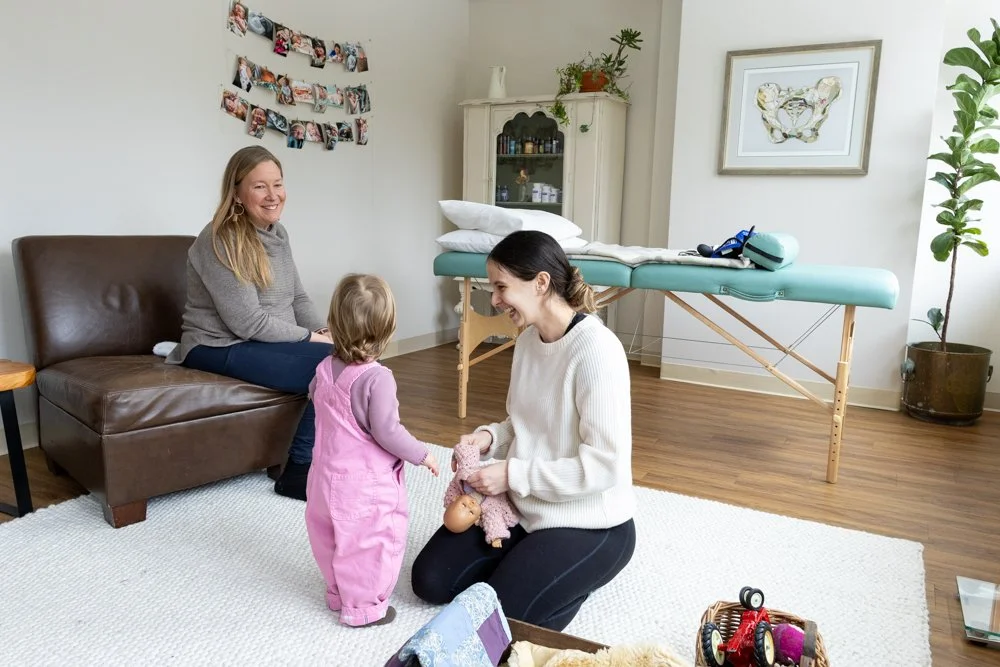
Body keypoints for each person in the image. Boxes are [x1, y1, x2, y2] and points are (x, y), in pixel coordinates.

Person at [410, 230, 637, 631]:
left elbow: (605, 466)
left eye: (501, 287)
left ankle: (571, 576)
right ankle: (534, 569)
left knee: (501, 619)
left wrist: (512, 474)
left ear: (541, 283)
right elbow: (527, 422)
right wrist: (489, 438)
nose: (494, 299)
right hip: (524, 509)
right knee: (429, 580)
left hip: (591, 523)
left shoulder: (597, 352)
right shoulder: (530, 341)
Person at [166, 145, 332, 501]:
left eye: (278, 184)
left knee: (349, 358)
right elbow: (246, 322)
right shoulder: (220, 238)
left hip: (265, 340)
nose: (273, 195)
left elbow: (297, 297)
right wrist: (313, 341)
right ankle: (297, 472)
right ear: (237, 192)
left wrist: (326, 333)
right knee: (331, 366)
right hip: (216, 345)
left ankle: (336, 459)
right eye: (260, 186)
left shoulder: (278, 232)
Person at [306, 273, 440, 627]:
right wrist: (421, 453)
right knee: (370, 542)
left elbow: (317, 401)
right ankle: (363, 607)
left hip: (322, 478)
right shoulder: (377, 378)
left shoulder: (322, 369)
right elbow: (388, 431)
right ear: (387, 331)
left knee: (328, 535)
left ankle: (337, 592)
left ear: (334, 322)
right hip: (363, 486)